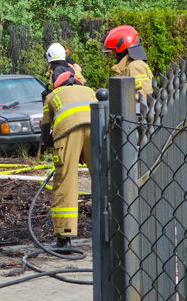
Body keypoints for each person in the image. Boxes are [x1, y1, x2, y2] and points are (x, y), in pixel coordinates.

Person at [41, 70, 97, 250]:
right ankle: (114, 229)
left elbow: (45, 137)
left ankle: (64, 238)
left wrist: (60, 149)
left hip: (67, 132)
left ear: (58, 84)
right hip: (98, 129)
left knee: (66, 180)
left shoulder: (52, 96)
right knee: (105, 178)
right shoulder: (91, 91)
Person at [103, 25, 153, 108]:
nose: (112, 55)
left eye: (113, 51)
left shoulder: (135, 66)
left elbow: (142, 96)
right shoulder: (129, 66)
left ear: (121, 48)